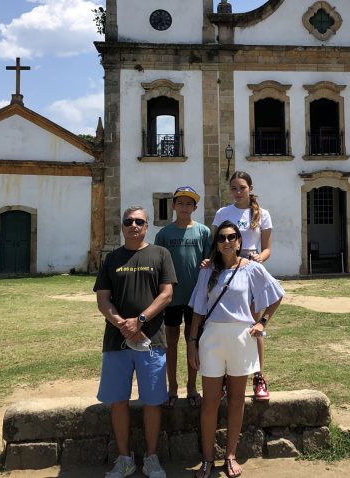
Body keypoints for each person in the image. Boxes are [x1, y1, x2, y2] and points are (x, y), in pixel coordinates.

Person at [188, 220, 284, 478]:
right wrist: (191, 343)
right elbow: (198, 310)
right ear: (216, 244)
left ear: (240, 241)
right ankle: (207, 459)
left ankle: (230, 455)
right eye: (222, 238)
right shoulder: (207, 271)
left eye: (232, 237)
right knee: (210, 402)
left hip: (241, 338)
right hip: (212, 339)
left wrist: (261, 322)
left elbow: (277, 294)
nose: (227, 242)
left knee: (236, 400)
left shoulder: (251, 269)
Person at [94, 206, 177, 478]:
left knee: (153, 402)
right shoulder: (112, 258)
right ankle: (124, 458)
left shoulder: (160, 254)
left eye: (139, 221)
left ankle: (151, 458)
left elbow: (166, 294)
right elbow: (103, 299)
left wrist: (139, 320)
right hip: (116, 342)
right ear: (122, 226)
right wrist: (122, 324)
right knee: (118, 401)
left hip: (151, 341)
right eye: (128, 221)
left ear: (147, 225)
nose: (133, 225)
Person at [211, 171, 273, 401]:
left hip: (249, 268)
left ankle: (258, 377)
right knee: (227, 321)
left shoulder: (262, 214)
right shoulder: (223, 213)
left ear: (250, 188)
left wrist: (259, 259)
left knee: (254, 324)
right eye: (234, 188)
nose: (238, 192)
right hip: (226, 267)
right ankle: (227, 378)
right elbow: (214, 242)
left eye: (242, 188)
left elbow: (266, 248)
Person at [154, 186, 212, 407]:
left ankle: (191, 386)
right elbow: (157, 264)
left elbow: (209, 261)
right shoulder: (164, 234)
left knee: (192, 340)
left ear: (195, 207)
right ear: (173, 206)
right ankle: (172, 386)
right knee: (170, 342)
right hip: (171, 297)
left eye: (189, 203)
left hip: (195, 297)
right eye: (181, 203)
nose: (185, 207)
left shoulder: (203, 232)